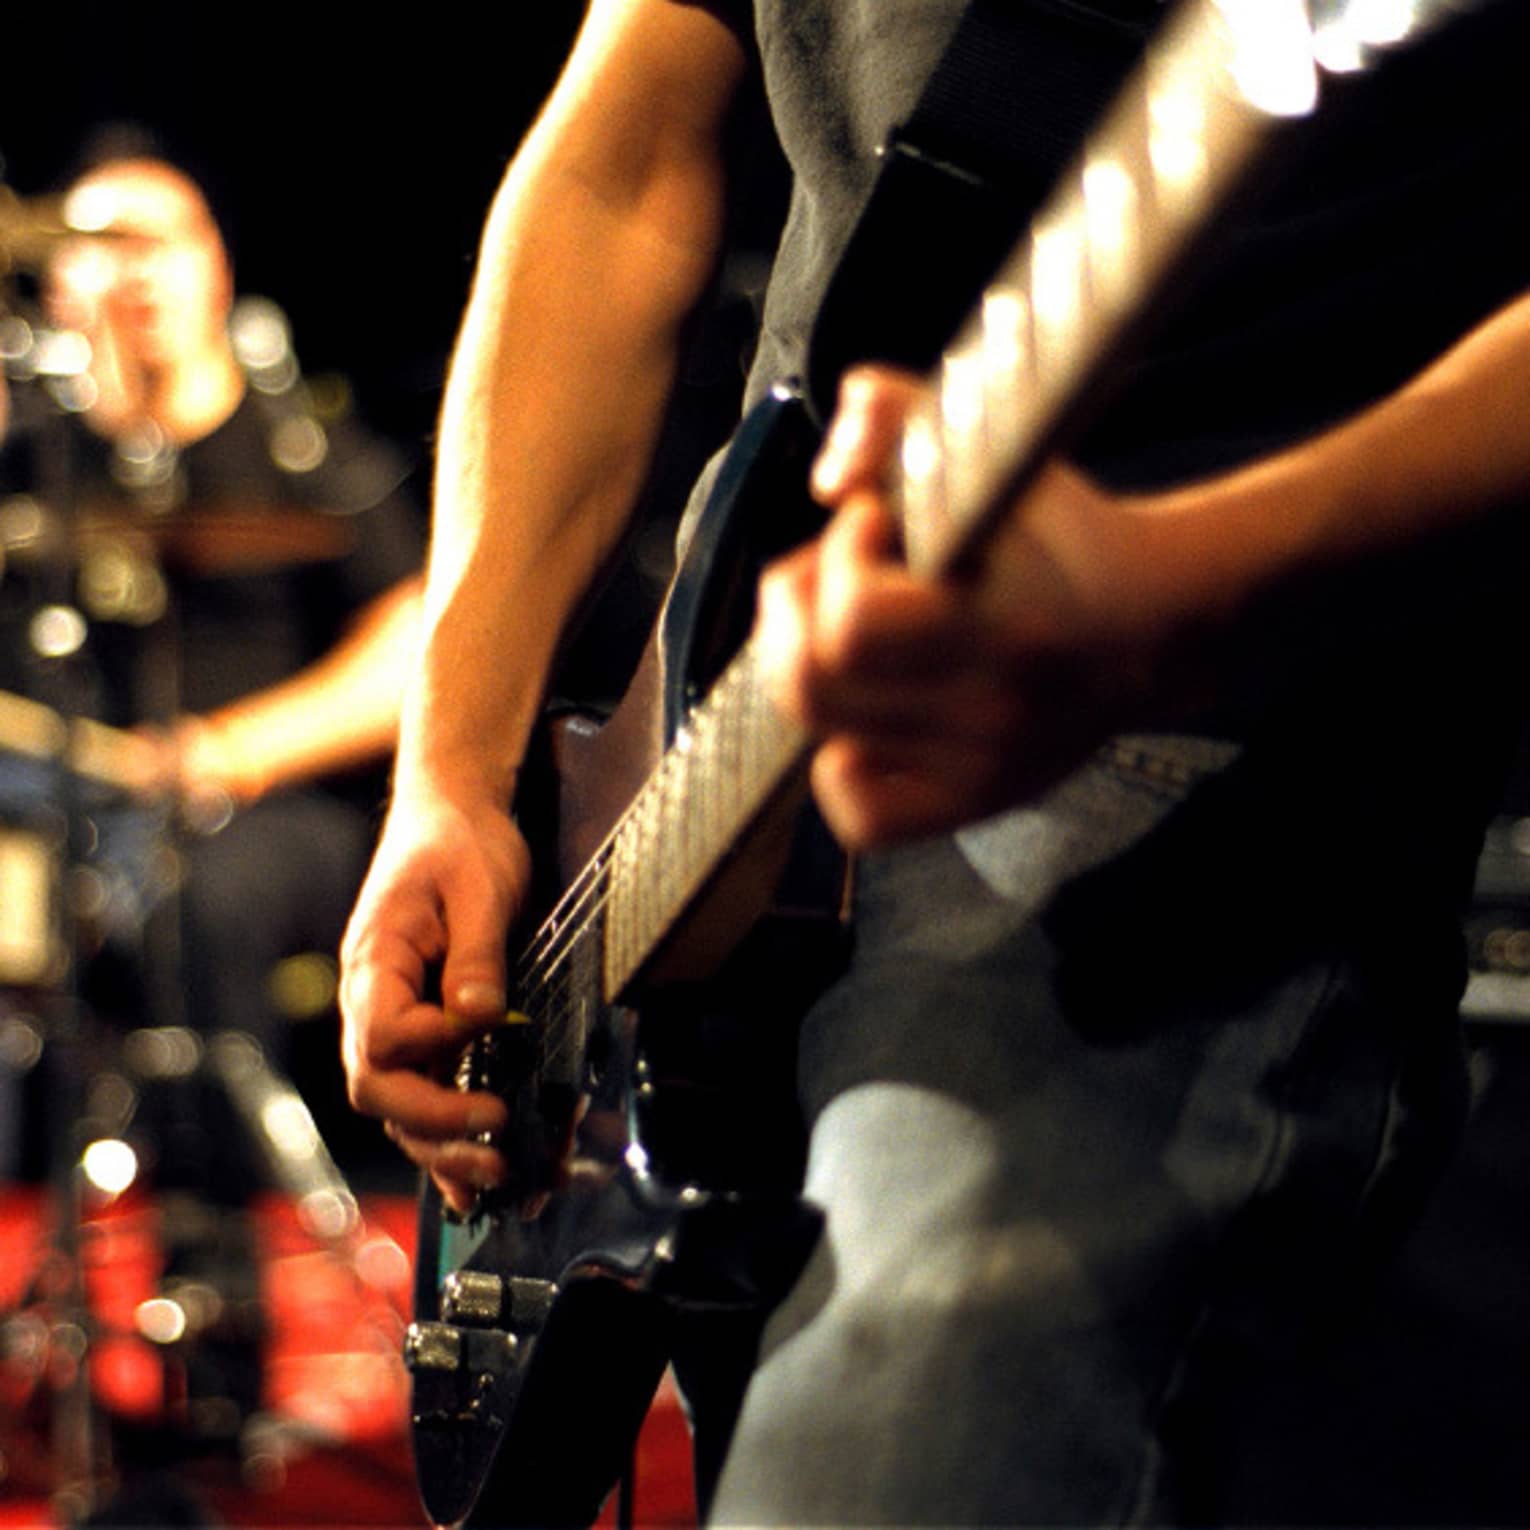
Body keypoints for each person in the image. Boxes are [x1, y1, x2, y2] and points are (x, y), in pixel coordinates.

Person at [339, 1, 1530, 1522]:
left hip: (1186, 782)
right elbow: (619, 162)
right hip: (721, 742)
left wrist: (1173, 586)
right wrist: (451, 768)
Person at [10, 154, 423, 1081]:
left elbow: (409, 656)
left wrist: (224, 750)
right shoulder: (32, 462)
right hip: (75, 813)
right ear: (57, 285)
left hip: (269, 813)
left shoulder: (304, 451)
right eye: (105, 247)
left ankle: (217, 1171)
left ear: (218, 269)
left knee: (197, 902)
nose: (138, 271)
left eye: (162, 244)